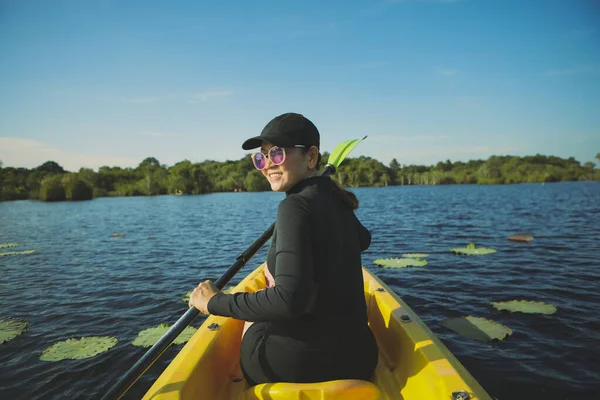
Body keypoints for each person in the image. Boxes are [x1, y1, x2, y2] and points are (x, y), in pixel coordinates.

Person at [188, 112, 378, 386]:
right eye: (261, 157)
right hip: (360, 359)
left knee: (254, 323)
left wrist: (213, 301)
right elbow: (363, 240)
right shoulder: (333, 198)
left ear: (311, 157)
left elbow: (288, 302)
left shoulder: (293, 206)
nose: (266, 165)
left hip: (302, 366)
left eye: (276, 154)